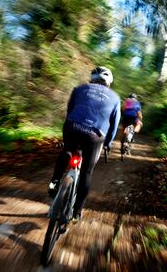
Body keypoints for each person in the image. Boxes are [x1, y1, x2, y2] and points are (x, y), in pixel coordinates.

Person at [48, 66, 121, 221]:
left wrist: (70, 129)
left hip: (72, 127)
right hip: (95, 135)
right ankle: (77, 211)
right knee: (86, 172)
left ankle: (54, 182)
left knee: (68, 151)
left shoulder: (79, 89)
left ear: (92, 79)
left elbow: (70, 111)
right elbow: (114, 125)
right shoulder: (115, 98)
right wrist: (108, 143)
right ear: (108, 82)